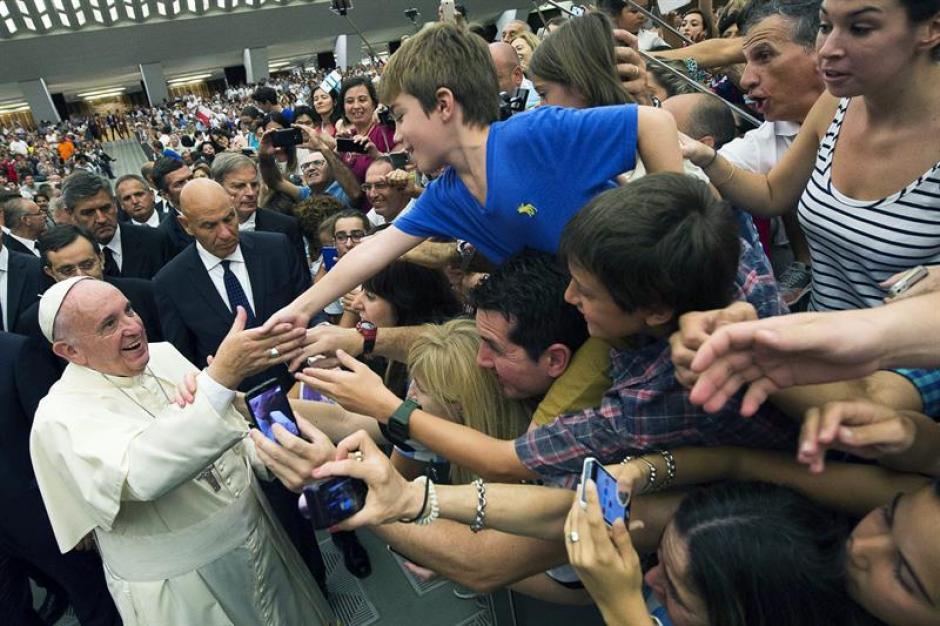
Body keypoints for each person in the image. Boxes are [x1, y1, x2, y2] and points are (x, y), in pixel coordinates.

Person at [266, 23, 682, 332]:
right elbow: (372, 250)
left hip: (669, 300)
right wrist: (300, 310)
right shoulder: (446, 195)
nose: (400, 134)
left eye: (400, 115)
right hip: (603, 328)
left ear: (443, 104)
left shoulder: (533, 135)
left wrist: (676, 241)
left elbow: (654, 124)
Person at [29, 277, 334, 625]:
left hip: (257, 535)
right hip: (184, 586)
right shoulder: (59, 416)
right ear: (70, 351)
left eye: (128, 310)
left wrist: (270, 455)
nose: (131, 327)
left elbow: (224, 428)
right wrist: (220, 377)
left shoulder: (162, 354)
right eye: (109, 324)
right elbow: (141, 474)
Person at [680, 0, 940, 313]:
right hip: (819, 347)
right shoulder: (835, 105)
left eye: (860, 28)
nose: (827, 49)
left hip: (898, 359)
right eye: (825, 26)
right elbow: (772, 193)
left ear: (931, 29)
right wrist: (704, 156)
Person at [0, 331, 121, 626]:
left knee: (96, 604)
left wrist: (74, 515)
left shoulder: (17, 351)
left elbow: (59, 439)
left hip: (43, 521)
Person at [16, 224, 163, 343]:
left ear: (101, 259)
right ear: (51, 273)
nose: (80, 276)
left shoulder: (144, 294)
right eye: (67, 270)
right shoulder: (36, 320)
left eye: (87, 264)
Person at [210, 152, 309, 276]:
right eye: (239, 186)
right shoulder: (206, 230)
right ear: (218, 187)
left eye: (254, 184)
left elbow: (301, 283)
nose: (251, 192)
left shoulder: (286, 227)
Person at [62, 171, 172, 279]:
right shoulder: (64, 260)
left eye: (105, 208)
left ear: (115, 204)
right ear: (70, 214)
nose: (101, 219)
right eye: (88, 213)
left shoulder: (155, 240)